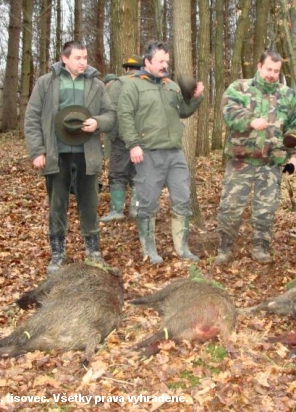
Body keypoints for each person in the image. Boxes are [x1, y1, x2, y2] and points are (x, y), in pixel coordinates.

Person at [24, 41, 115, 274]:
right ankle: (57, 253)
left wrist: (98, 122)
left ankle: (93, 251)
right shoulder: (47, 83)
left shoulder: (96, 85)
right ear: (65, 59)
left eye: (85, 57)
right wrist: (37, 151)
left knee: (90, 203)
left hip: (88, 153)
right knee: (57, 204)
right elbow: (32, 118)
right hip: (56, 154)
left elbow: (111, 115)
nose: (83, 62)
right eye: (78, 58)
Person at [117, 40, 204, 264]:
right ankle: (149, 250)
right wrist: (133, 144)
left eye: (167, 61)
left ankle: (182, 248)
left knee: (183, 199)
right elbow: (124, 116)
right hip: (147, 153)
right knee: (147, 203)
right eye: (161, 61)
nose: (165, 65)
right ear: (147, 62)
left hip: (174, 152)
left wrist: (195, 98)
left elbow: (183, 112)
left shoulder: (171, 86)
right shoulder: (133, 86)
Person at [215, 50, 296, 265]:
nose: (271, 75)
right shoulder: (240, 88)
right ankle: (225, 247)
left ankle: (260, 245)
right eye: (268, 69)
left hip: (271, 163)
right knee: (231, 207)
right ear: (259, 66)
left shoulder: (288, 95)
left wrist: (295, 157)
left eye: (276, 71)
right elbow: (228, 112)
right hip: (241, 161)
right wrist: (250, 120)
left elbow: (295, 131)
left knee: (266, 209)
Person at [101, 55, 144, 222]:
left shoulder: (117, 84)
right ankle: (136, 209)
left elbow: (110, 111)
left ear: (126, 68)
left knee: (117, 174)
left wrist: (110, 137)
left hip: (121, 138)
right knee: (139, 174)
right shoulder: (148, 84)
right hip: (143, 138)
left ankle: (117, 210)